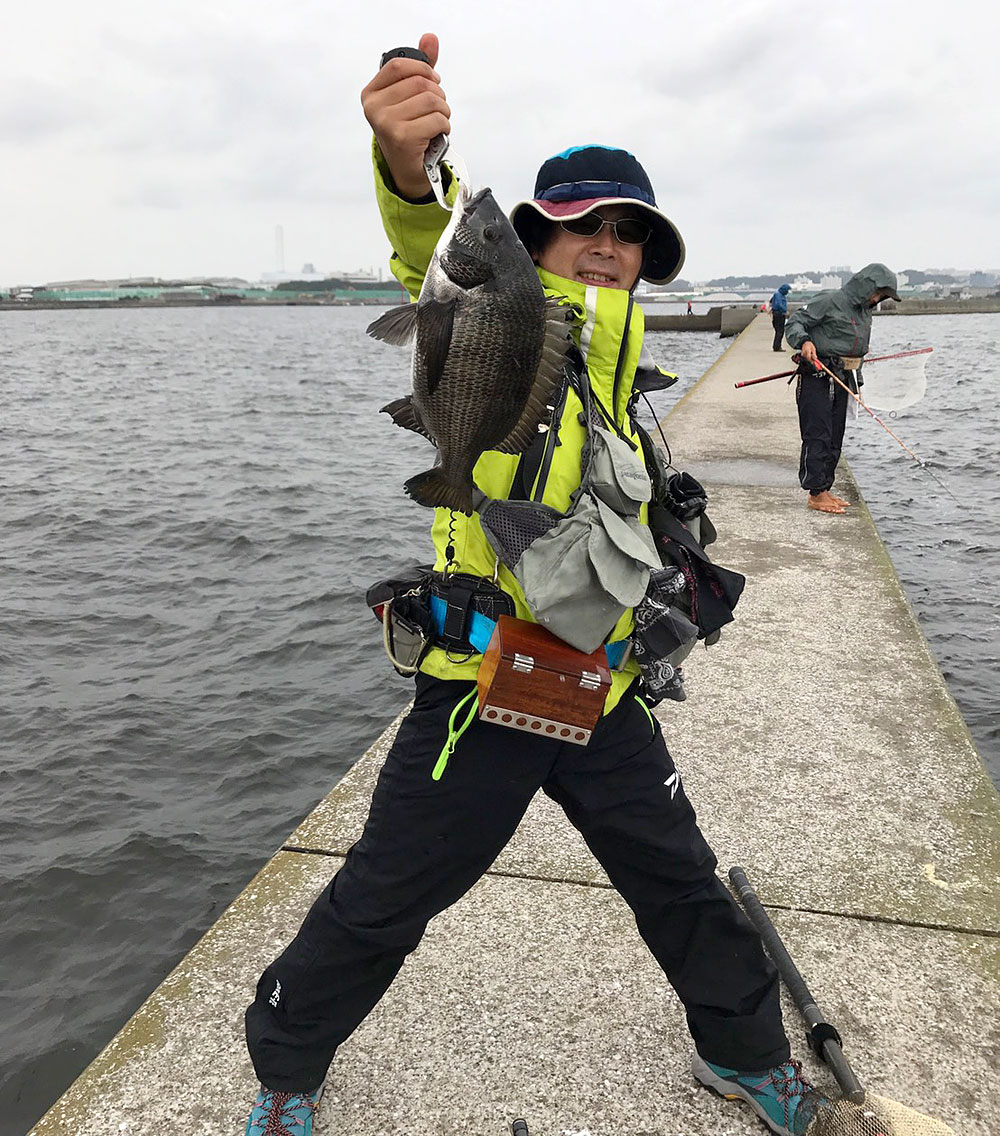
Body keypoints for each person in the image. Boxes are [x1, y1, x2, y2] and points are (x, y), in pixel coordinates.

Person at [243, 33, 826, 1136]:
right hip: (482, 684)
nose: (607, 249)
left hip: (601, 689)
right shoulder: (509, 318)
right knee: (384, 897)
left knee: (683, 883)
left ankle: (742, 1053)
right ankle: (283, 1071)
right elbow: (440, 242)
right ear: (532, 244)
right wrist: (412, 170)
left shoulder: (622, 373)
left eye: (630, 236)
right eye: (581, 227)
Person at [784, 265, 900, 515]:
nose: (877, 299)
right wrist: (804, 341)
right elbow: (795, 323)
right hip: (817, 374)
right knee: (818, 432)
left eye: (882, 296)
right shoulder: (829, 300)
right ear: (867, 286)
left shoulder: (864, 311)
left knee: (836, 433)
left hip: (844, 376)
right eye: (878, 293)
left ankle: (825, 487)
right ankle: (815, 493)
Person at [768, 283, 790, 351]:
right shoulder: (779, 295)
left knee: (779, 331)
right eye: (787, 290)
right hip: (779, 315)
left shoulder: (778, 294)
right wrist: (785, 311)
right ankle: (777, 347)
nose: (788, 292)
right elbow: (779, 304)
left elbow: (772, 301)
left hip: (777, 314)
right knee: (780, 331)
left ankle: (776, 346)